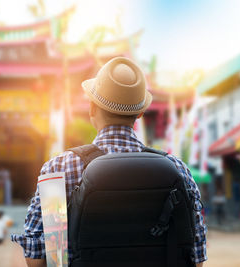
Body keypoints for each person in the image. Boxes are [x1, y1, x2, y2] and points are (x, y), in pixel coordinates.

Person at [11, 57, 207, 267]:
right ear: (140, 113)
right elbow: (195, 258)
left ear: (92, 108)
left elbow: (40, 258)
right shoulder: (178, 170)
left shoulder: (60, 168)